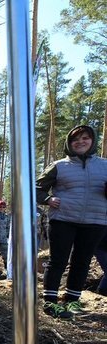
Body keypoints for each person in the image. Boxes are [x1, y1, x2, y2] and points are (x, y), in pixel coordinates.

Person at [36, 125, 107, 319]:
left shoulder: (105, 165)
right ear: (69, 143)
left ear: (92, 141)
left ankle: (72, 301)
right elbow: (36, 189)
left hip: (96, 220)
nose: (80, 142)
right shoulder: (59, 165)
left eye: (85, 138)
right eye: (76, 139)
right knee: (58, 260)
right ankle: (50, 303)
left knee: (82, 262)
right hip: (63, 219)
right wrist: (48, 200)